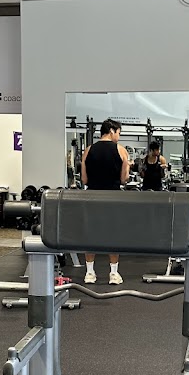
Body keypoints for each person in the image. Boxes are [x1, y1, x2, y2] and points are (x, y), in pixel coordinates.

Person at [81, 119, 130, 284]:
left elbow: (84, 179)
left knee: (90, 233)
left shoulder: (88, 150)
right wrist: (127, 168)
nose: (118, 137)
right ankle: (113, 274)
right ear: (111, 131)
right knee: (113, 233)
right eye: (119, 133)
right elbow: (124, 179)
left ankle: (89, 273)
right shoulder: (121, 151)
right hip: (113, 197)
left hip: (92, 196)